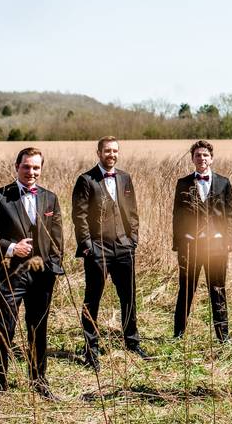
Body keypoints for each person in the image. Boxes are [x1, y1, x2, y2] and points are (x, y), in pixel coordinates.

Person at [0, 147, 64, 399]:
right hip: (8, 274)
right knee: (3, 327)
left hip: (42, 277)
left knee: (38, 329)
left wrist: (53, 270)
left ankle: (39, 382)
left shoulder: (50, 198)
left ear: (41, 169)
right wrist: (12, 248)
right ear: (17, 166)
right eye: (26, 166)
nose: (31, 172)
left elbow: (58, 239)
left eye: (36, 167)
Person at [72, 136, 146, 368]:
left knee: (129, 296)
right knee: (92, 299)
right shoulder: (86, 180)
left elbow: (132, 211)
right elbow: (79, 216)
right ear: (99, 153)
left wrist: (132, 239)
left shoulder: (125, 178)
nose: (111, 155)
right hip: (98, 249)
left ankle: (132, 342)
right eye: (107, 151)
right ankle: (91, 350)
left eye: (115, 151)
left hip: (124, 247)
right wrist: (87, 247)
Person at [172, 140, 232, 342]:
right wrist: (178, 244)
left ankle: (223, 337)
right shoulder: (183, 183)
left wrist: (228, 242)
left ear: (212, 158)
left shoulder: (224, 183)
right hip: (190, 247)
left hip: (217, 248)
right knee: (186, 290)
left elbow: (230, 215)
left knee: (218, 290)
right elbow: (177, 215)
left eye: (205, 155)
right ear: (192, 159)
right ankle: (178, 334)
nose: (202, 159)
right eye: (198, 155)